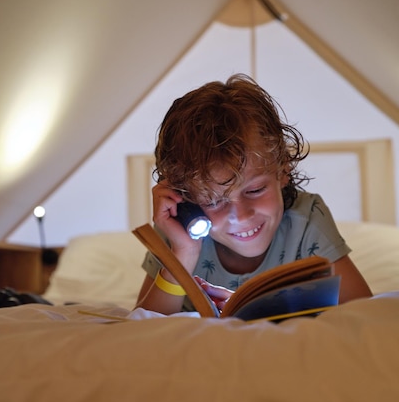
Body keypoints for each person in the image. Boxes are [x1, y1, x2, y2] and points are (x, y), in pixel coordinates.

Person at [136, 74, 372, 315]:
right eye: (214, 201)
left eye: (255, 190)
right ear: (185, 198)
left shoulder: (306, 220)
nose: (240, 215)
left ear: (283, 170)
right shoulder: (177, 230)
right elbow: (144, 334)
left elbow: (364, 315)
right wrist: (183, 254)